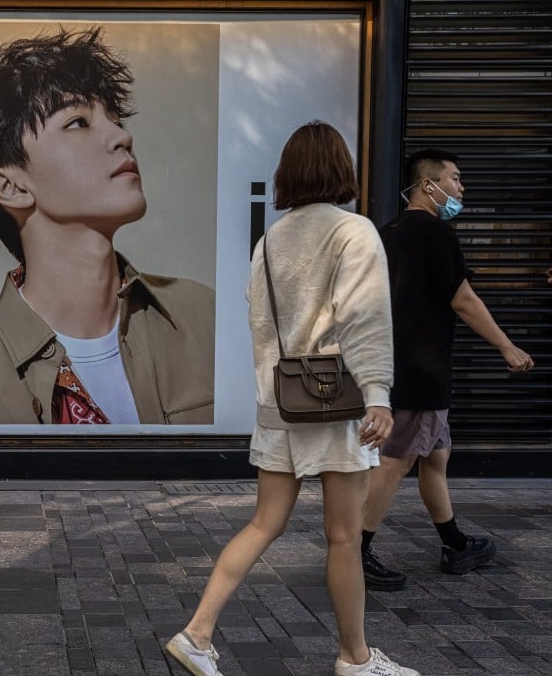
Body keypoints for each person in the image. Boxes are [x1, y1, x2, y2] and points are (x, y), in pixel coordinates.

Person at [165, 122, 419, 676]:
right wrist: (377, 393)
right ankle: (355, 658)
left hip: (283, 402)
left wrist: (270, 395)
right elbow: (365, 319)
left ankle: (197, 633)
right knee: (344, 536)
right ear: (341, 169)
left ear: (288, 174)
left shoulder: (270, 241)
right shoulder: (353, 231)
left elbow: (261, 325)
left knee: (264, 523)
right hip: (339, 405)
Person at [0, 28, 215, 425]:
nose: (122, 136)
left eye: (114, 119)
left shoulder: (207, 316)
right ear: (10, 187)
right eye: (78, 122)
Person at [360, 149, 534, 591]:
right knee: (395, 461)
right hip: (420, 369)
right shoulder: (435, 232)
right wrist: (507, 346)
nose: (461, 188)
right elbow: (463, 299)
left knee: (436, 456)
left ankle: (455, 545)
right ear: (428, 185)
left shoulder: (387, 232)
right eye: (455, 179)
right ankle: (355, 551)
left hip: (400, 364)